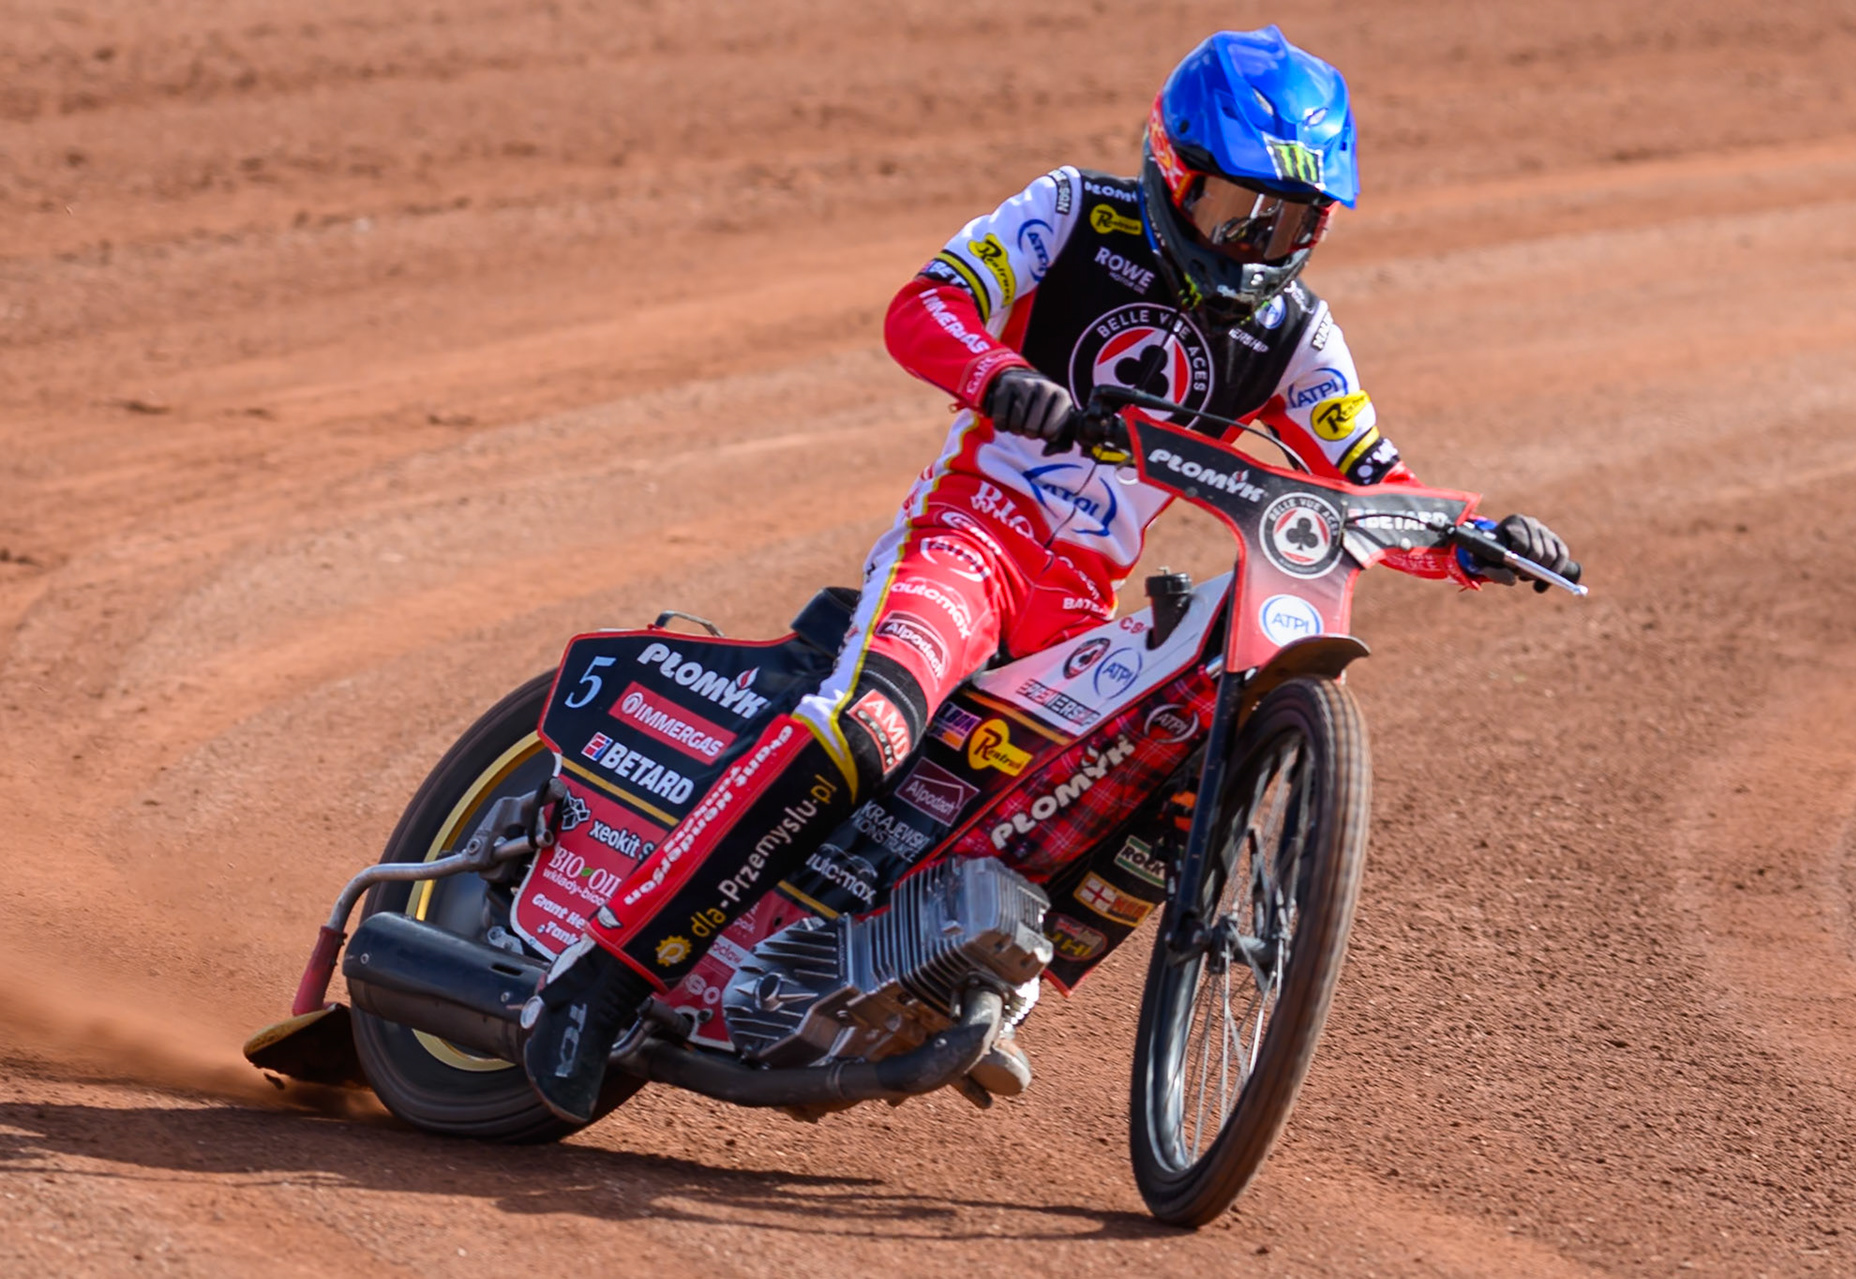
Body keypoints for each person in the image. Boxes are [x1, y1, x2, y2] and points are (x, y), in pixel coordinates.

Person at [520, 25, 1575, 1122]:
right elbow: (923, 304)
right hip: (972, 537)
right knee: (870, 727)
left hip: (1077, 605)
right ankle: (603, 977)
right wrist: (999, 377)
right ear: (1177, 171)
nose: (1262, 248)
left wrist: (1474, 539)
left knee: (1159, 763)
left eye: (1296, 221)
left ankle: (965, 975)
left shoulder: (1296, 334)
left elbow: (1369, 478)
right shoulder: (1073, 211)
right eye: (1240, 214)